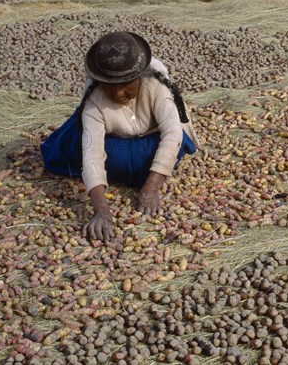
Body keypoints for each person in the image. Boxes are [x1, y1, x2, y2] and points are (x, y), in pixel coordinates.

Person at [41, 31, 200, 242]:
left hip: (152, 138)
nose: (118, 94)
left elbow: (172, 133)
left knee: (174, 144)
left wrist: (152, 187)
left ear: (138, 77)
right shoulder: (94, 99)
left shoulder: (155, 84)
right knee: (80, 143)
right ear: (100, 81)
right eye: (110, 86)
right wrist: (101, 211)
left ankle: (144, 173)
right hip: (115, 142)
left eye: (126, 85)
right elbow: (93, 154)